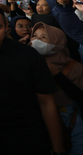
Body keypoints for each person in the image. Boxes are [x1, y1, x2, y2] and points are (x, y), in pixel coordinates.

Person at [0, 2, 65, 155]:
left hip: (27, 138)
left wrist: (58, 149)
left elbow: (46, 102)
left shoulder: (28, 55)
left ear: (6, 25)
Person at [31, 22, 83, 154]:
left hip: (72, 123)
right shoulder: (29, 64)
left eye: (44, 37)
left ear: (58, 42)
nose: (36, 40)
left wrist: (58, 75)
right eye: (34, 36)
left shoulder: (75, 68)